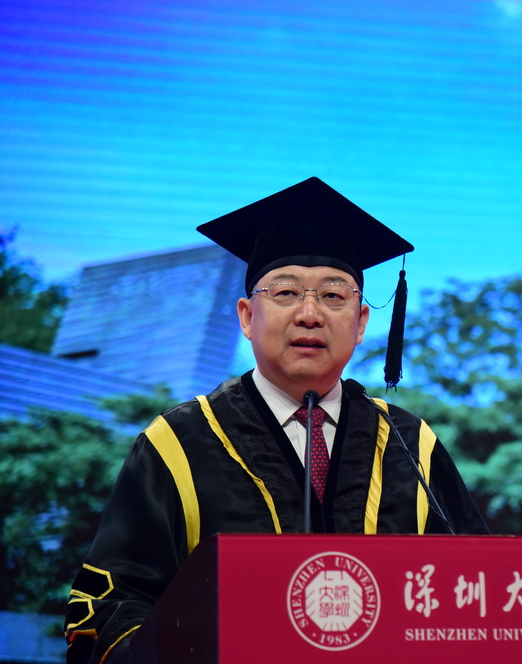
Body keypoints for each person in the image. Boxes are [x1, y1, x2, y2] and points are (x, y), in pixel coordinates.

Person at [63, 177, 489, 664]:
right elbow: (111, 605)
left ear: (361, 323)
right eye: (285, 292)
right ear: (247, 317)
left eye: (334, 296)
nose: (310, 314)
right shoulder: (178, 442)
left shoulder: (410, 444)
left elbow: (477, 589)